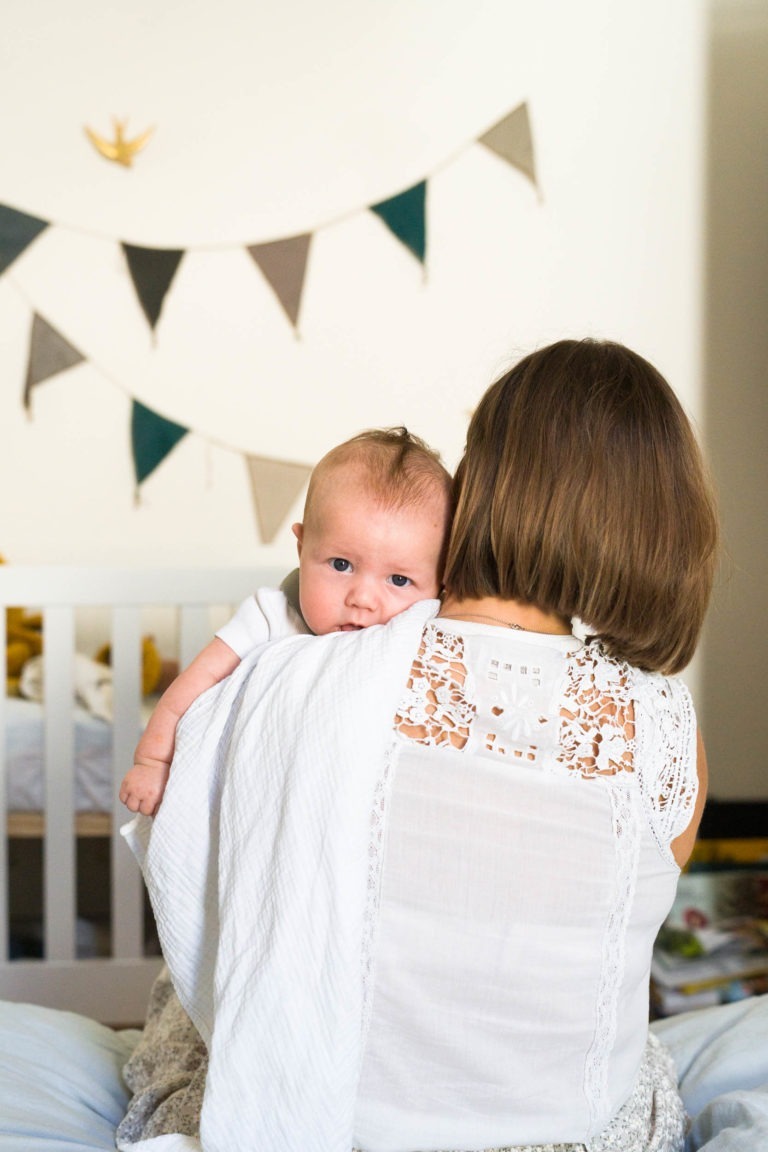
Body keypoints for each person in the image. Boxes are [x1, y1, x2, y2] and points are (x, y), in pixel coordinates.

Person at [119, 338, 719, 1152]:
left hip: (333, 1118)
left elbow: (190, 872)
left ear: (482, 482)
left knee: (211, 977)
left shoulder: (291, 672)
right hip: (574, 1131)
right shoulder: (667, 727)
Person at [118, 426, 453, 816]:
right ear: (301, 546)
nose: (362, 599)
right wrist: (153, 762)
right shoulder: (270, 617)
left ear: (441, 583)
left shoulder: (425, 636)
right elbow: (189, 690)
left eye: (399, 580)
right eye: (341, 565)